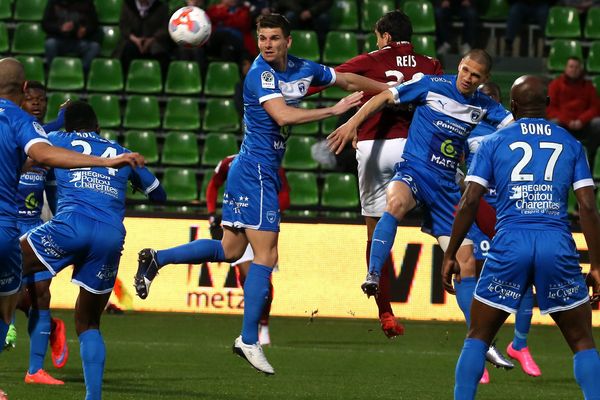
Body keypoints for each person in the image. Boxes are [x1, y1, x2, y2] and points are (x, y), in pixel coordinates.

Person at [134, 13, 389, 375]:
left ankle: (156, 258)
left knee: (230, 249)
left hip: (252, 170)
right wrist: (333, 110)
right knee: (266, 255)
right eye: (262, 38)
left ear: (288, 41)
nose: (267, 44)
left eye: (273, 38)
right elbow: (282, 116)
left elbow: (346, 78)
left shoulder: (302, 68)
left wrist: (389, 89)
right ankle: (249, 339)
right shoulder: (259, 75)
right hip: (257, 170)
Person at [327, 49, 514, 382]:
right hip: (414, 170)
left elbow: (515, 128)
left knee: (467, 261)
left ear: (484, 80)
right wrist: (354, 122)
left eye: (475, 76)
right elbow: (384, 96)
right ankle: (372, 275)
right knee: (394, 203)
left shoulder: (486, 107)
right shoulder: (430, 84)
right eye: (466, 70)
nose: (468, 78)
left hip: (445, 189)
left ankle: (483, 340)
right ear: (460, 65)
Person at [442, 75, 600, 399]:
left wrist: (450, 253)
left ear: (512, 106)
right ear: (548, 105)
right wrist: (597, 265)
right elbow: (587, 207)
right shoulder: (572, 144)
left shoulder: (492, 143)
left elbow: (470, 201)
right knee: (582, 340)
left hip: (510, 242)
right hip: (556, 243)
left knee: (478, 336)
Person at [0, 58, 144, 400]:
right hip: (9, 228)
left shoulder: (35, 128)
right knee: (15, 306)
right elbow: (47, 155)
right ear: (23, 90)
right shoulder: (25, 125)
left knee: (34, 296)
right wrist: (106, 162)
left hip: (34, 223)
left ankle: (36, 364)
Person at [311, 9, 444, 338]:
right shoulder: (431, 64)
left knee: (376, 233)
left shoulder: (370, 60)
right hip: (416, 149)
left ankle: (385, 312)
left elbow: (326, 80)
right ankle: (463, 266)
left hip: (375, 149)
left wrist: (289, 91)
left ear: (384, 36)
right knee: (449, 215)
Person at [20, 100, 165, 400]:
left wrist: (56, 123)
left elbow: (28, 142)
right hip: (110, 237)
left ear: (68, 125)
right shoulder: (121, 152)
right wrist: (132, 182)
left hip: (70, 226)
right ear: (98, 127)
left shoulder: (58, 139)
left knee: (7, 261)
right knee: (88, 323)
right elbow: (159, 195)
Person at [464, 82, 540, 377]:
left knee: (525, 277)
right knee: (474, 276)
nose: (486, 104)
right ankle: (480, 348)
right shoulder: (467, 129)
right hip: (479, 210)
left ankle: (519, 345)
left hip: (509, 212)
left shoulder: (514, 132)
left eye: (491, 98)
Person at [8, 81, 71, 385]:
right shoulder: (17, 135)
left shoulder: (45, 141)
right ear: (19, 101)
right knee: (12, 292)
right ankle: (50, 327)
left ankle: (35, 371)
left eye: (41, 100)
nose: (36, 104)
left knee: (42, 292)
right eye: (30, 99)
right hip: (8, 222)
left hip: (34, 224)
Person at [207, 154, 290, 345]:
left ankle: (264, 325)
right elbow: (213, 186)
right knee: (247, 277)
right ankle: (251, 329)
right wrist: (212, 214)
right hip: (239, 224)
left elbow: (285, 195)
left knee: (264, 281)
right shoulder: (229, 163)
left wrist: (272, 210)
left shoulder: (272, 164)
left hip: (263, 227)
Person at [547, 56, 600, 171]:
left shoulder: (588, 86)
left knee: (598, 123)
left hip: (583, 125)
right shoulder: (556, 84)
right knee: (554, 123)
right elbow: (550, 108)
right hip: (564, 125)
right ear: (566, 68)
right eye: (571, 66)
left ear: (580, 69)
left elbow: (595, 108)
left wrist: (581, 120)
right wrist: (568, 121)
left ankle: (591, 157)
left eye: (576, 67)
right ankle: (557, 163)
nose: (573, 69)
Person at [114, 0, 171, 79]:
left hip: (154, 41)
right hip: (132, 40)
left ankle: (158, 82)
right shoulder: (128, 5)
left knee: (162, 55)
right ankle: (127, 81)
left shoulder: (161, 7)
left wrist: (152, 39)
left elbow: (164, 28)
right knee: (127, 49)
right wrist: (135, 40)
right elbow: (123, 26)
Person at [42, 0, 101, 72]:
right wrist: (60, 28)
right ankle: (54, 72)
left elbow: (94, 24)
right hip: (59, 40)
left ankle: (80, 73)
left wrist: (85, 30)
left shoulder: (86, 2)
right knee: (50, 44)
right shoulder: (54, 2)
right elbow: (45, 24)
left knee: (94, 47)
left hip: (80, 41)